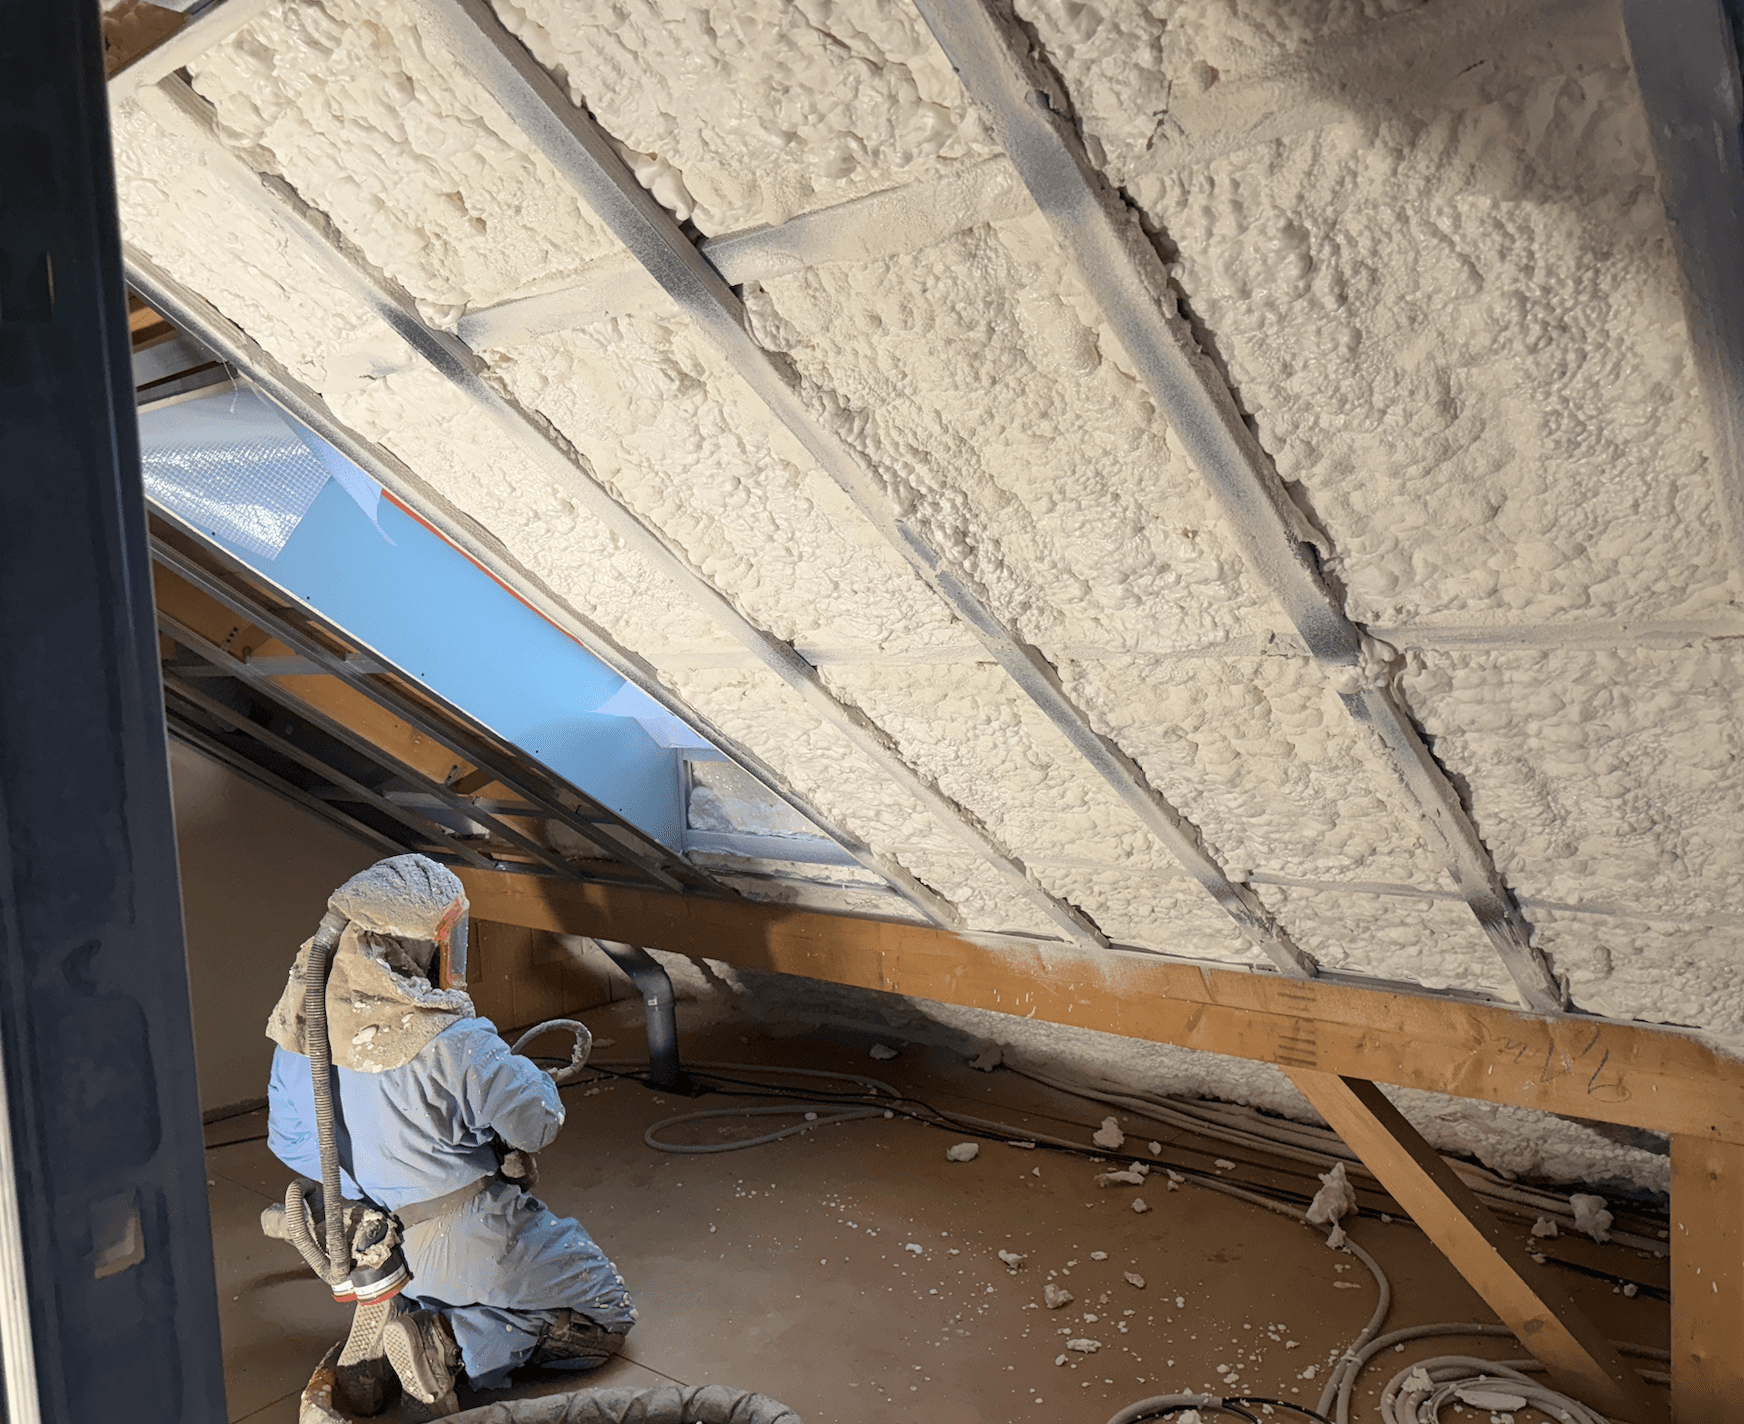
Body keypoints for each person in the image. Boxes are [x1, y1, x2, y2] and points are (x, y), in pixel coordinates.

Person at [264, 853, 637, 1406]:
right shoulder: (455, 1042)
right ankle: (448, 1341)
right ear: (412, 945)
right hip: (458, 1238)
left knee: (440, 1260)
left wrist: (376, 1190)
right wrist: (521, 1078)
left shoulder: (302, 1031)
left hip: (369, 1238)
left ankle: (394, 1310)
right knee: (604, 1312)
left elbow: (292, 1139)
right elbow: (536, 1125)